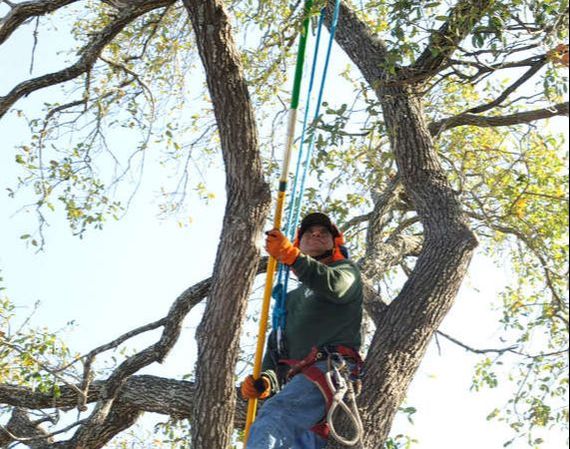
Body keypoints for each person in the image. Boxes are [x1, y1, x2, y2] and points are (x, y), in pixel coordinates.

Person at [241, 212, 364, 449]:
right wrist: (266, 380)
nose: (316, 234)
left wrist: (293, 257)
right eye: (309, 232)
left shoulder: (346, 271)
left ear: (334, 244)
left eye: (324, 233)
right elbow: (278, 349)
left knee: (274, 418)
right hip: (300, 386)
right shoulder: (289, 299)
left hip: (328, 370)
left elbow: (336, 286)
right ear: (299, 243)